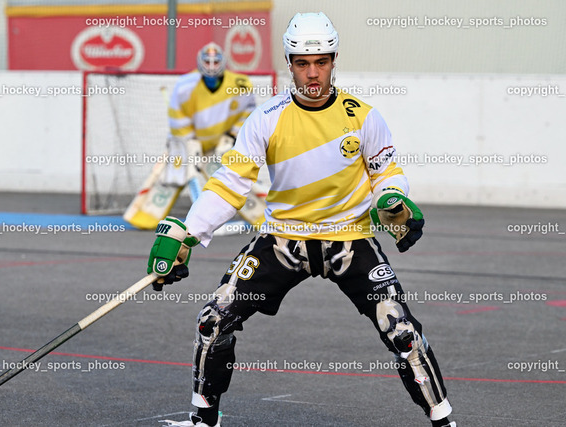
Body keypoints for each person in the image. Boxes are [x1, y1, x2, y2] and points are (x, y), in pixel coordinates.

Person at [147, 12, 456, 427]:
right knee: (213, 321)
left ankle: (444, 421)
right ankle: (204, 420)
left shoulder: (364, 116)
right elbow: (229, 184)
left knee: (402, 331)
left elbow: (385, 173)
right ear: (289, 63)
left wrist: (393, 198)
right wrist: (187, 233)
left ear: (333, 60)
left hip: (349, 239)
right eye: (302, 63)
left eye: (322, 62)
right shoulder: (266, 119)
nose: (313, 73)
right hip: (281, 240)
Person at [124, 42, 264, 230]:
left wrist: (232, 136)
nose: (212, 66)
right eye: (207, 61)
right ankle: (143, 217)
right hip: (187, 144)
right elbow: (177, 115)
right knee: (170, 178)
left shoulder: (240, 84)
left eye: (216, 62)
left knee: (235, 177)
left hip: (219, 144)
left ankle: (263, 217)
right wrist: (187, 142)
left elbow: (249, 112)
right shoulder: (185, 85)